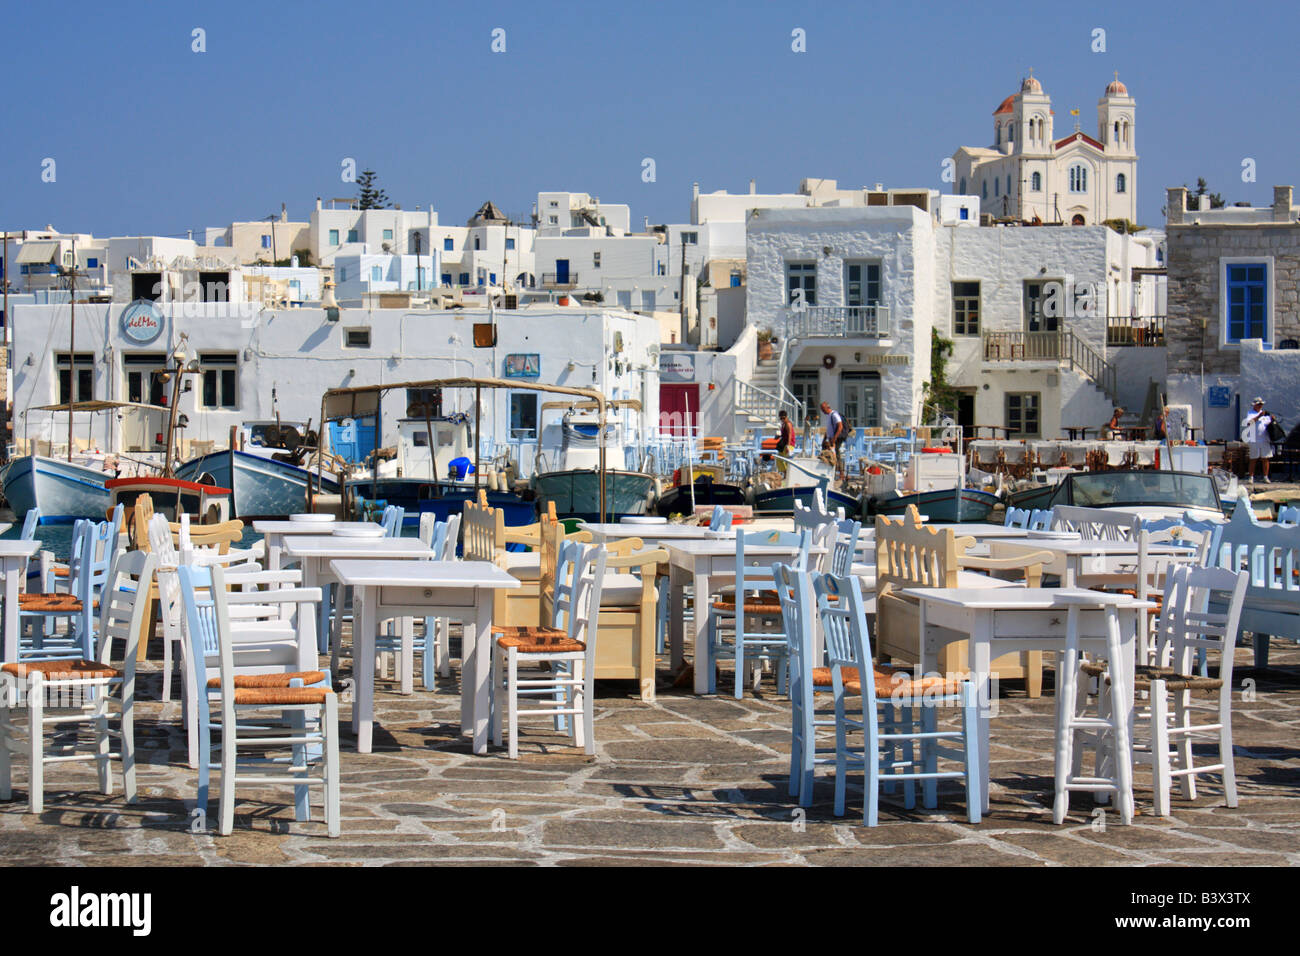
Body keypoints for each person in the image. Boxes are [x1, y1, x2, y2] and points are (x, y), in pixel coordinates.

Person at [1241, 397, 1274, 484]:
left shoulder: (1265, 414)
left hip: (1264, 439)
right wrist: (1259, 416)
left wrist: (1272, 419)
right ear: (1255, 405)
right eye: (1258, 404)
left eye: (1261, 404)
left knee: (1265, 459)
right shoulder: (1250, 413)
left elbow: (1269, 423)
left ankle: (1265, 477)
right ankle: (1251, 477)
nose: (1260, 406)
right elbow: (1249, 423)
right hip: (1254, 439)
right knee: (1253, 459)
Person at [820, 401, 847, 478]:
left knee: (836, 455)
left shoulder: (834, 415)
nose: (822, 411)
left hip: (836, 439)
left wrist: (835, 438)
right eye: (822, 409)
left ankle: (841, 473)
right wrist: (825, 439)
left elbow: (840, 426)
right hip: (831, 439)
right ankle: (833, 472)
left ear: (828, 407)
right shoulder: (829, 416)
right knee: (830, 455)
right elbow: (829, 429)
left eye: (823, 409)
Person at [775, 409, 795, 476]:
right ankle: (785, 473)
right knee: (779, 459)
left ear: (786, 417)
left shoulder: (788, 424)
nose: (782, 419)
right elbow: (784, 434)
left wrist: (788, 446)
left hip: (789, 445)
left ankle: (787, 475)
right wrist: (778, 437)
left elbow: (790, 434)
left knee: (787, 461)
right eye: (781, 418)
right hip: (784, 445)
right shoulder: (783, 424)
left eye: (783, 418)